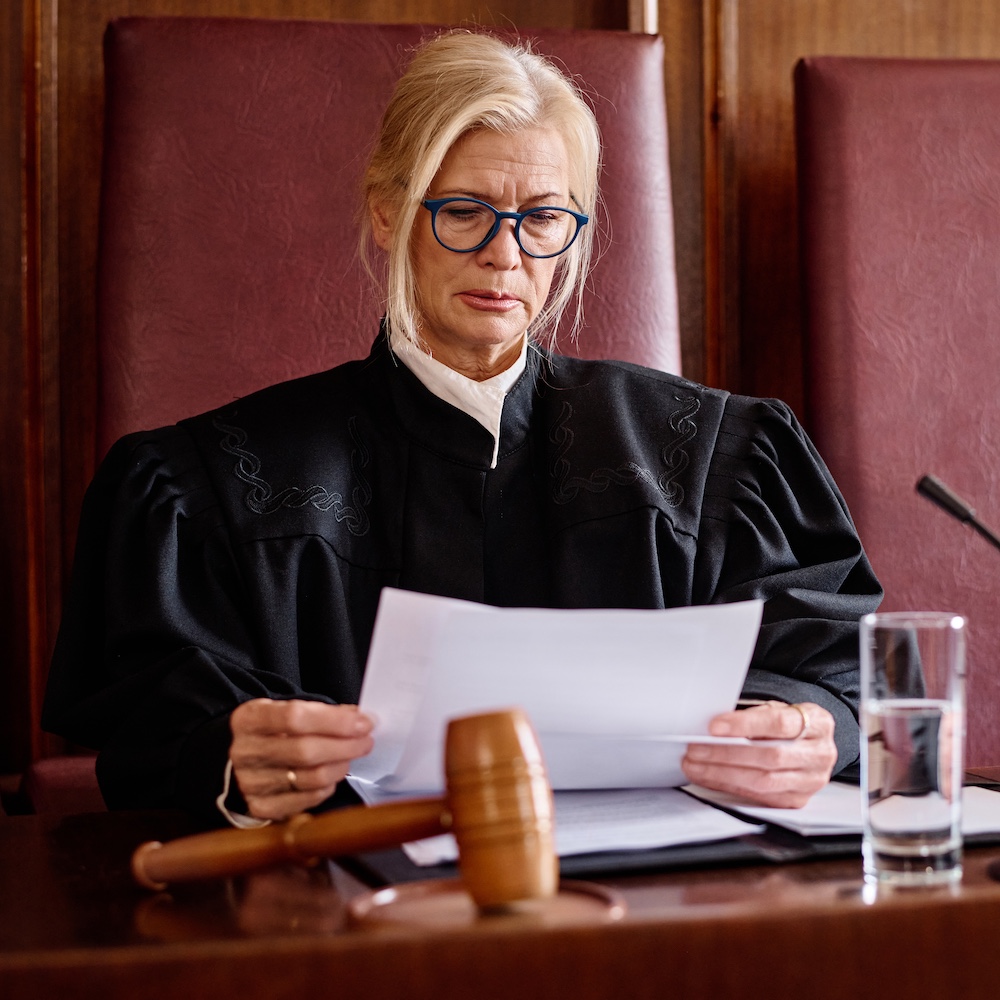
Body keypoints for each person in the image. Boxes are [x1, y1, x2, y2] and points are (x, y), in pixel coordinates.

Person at [42, 30, 881, 827]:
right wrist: (229, 754)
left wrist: (803, 726)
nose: (505, 255)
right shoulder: (214, 484)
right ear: (388, 213)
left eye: (543, 217)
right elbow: (149, 720)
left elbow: (829, 659)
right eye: (465, 210)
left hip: (652, 925)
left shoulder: (711, 460)